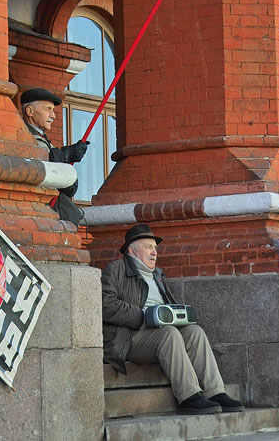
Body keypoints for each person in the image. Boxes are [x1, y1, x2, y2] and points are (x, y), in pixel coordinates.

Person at [101, 223, 244, 415]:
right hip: (130, 337)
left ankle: (215, 391)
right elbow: (105, 304)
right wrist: (141, 316)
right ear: (131, 250)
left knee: (195, 332)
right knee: (168, 334)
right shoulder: (115, 270)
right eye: (148, 247)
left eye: (155, 248)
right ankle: (188, 396)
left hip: (160, 331)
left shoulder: (158, 275)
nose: (154, 252)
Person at [19, 88, 88, 225]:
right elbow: (43, 163)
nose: (53, 116)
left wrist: (65, 155)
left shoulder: (42, 138)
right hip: (42, 214)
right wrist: (66, 155)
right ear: (30, 111)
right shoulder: (25, 136)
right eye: (48, 109)